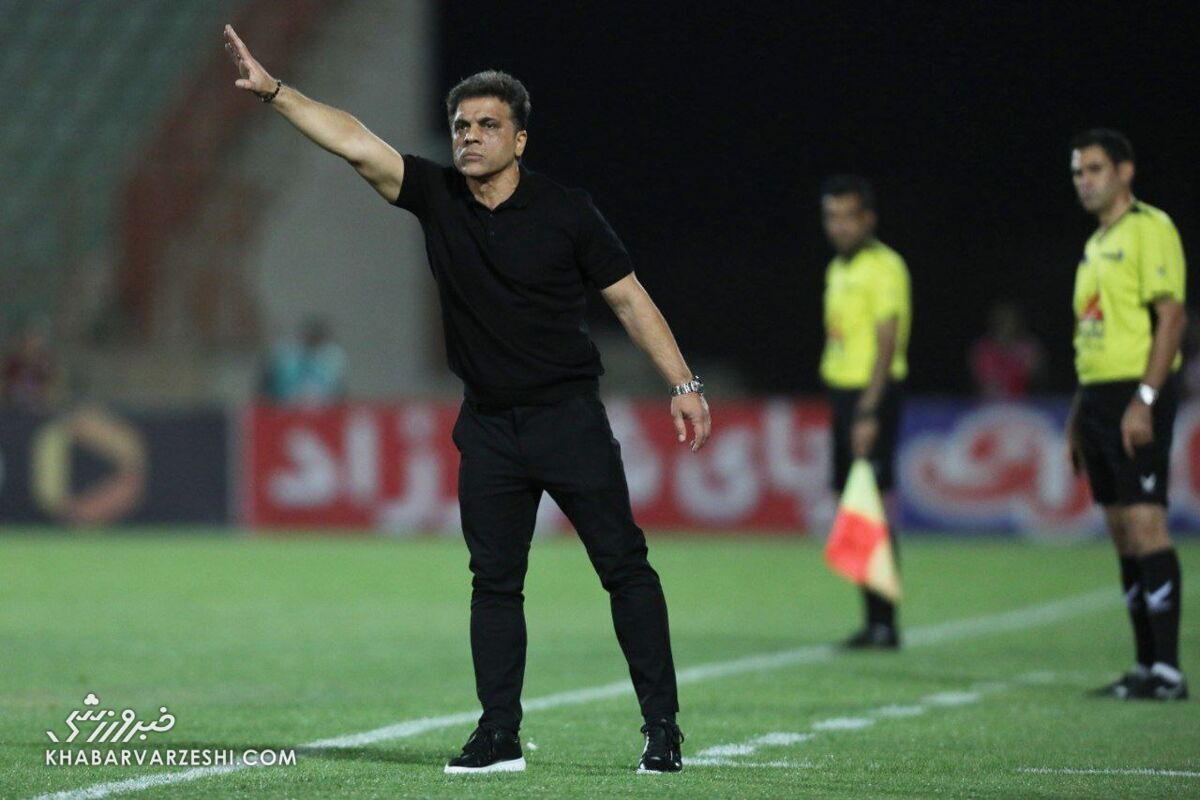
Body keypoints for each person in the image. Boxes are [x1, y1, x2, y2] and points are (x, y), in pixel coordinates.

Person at [224, 26, 711, 772]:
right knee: (495, 584)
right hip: (487, 425)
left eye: (487, 125)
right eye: (460, 126)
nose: (471, 137)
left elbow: (629, 299)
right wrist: (277, 94)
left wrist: (683, 383)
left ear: (520, 140)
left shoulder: (567, 211)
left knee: (624, 567)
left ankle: (663, 729)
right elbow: (355, 142)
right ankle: (498, 735)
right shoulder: (438, 196)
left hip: (568, 418)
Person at [1065, 129, 1188, 701]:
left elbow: (1172, 318)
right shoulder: (1095, 245)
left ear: (1125, 171)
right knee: (1121, 533)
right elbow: (1089, 339)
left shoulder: (1150, 229)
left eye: (1094, 169)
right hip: (1097, 398)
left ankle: (1168, 672)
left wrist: (1145, 399)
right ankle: (1143, 666)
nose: (1084, 181)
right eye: (1077, 172)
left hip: (1136, 394)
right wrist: (1077, 417)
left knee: (1146, 525)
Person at [818, 175, 911, 650]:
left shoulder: (885, 266)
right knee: (854, 506)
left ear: (868, 219)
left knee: (871, 505)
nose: (838, 226)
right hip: (843, 394)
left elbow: (887, 343)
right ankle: (872, 619)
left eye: (847, 217)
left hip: (870, 395)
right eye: (831, 217)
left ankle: (885, 622)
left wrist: (869, 410)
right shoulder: (838, 268)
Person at [261, 317, 346, 405]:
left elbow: (338, 389)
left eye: (317, 335)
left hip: (324, 406)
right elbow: (271, 385)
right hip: (286, 404)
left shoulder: (333, 356)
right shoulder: (287, 355)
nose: (314, 338)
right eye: (311, 334)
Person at [969, 302, 1045, 400]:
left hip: (1025, 403)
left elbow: (1038, 379)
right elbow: (978, 381)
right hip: (989, 403)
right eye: (1001, 321)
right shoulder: (982, 349)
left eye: (1009, 321)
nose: (1005, 325)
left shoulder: (1029, 348)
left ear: (1017, 323)